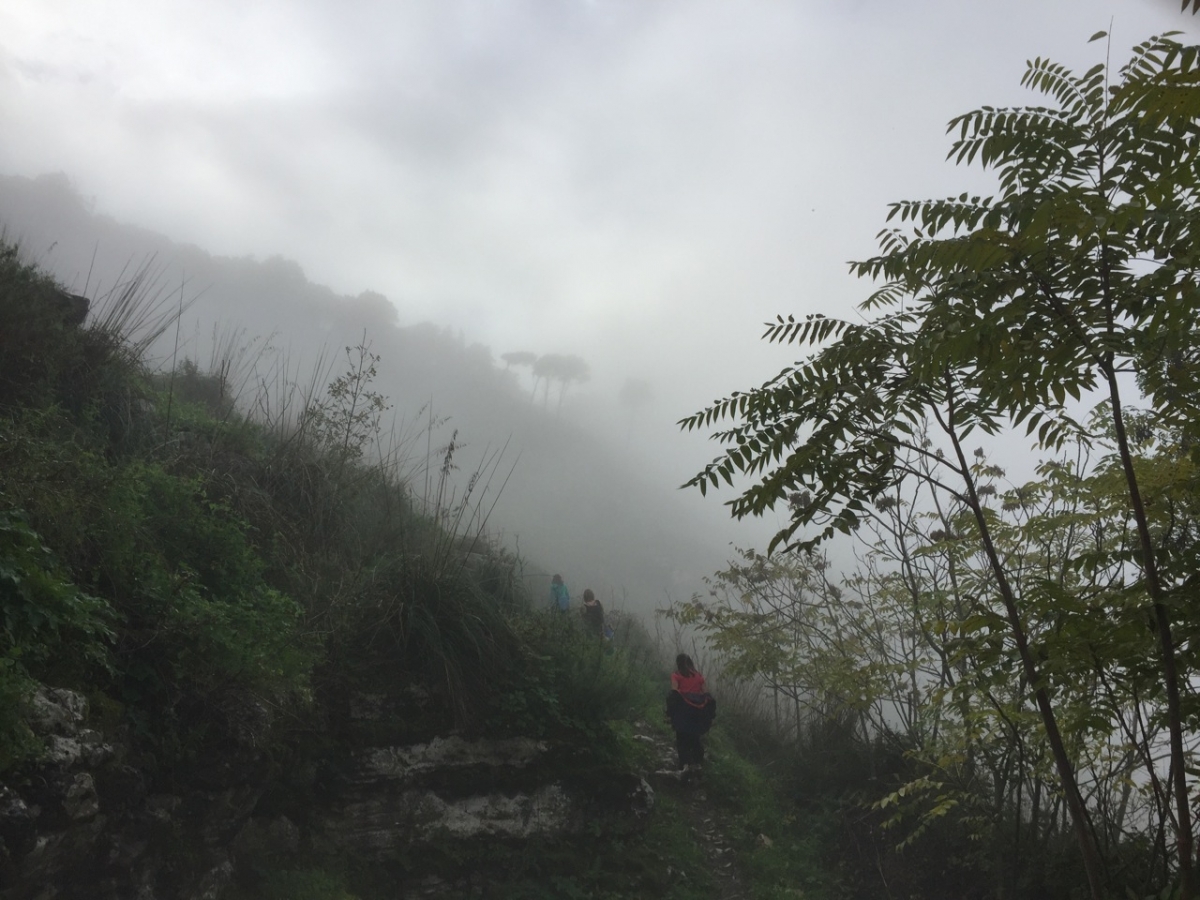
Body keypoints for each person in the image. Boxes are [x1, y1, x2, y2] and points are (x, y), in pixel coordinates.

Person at [665, 653, 716, 778]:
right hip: (698, 713)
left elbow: (674, 691)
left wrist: (670, 712)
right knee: (694, 737)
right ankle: (697, 763)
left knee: (681, 738)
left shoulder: (676, 675)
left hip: (683, 711)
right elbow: (706, 692)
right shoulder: (698, 676)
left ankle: (684, 766)